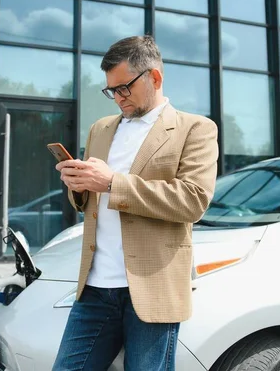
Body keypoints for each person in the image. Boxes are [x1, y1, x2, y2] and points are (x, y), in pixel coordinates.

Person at [53, 36, 218, 370]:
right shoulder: (100, 129)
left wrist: (112, 182)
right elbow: (88, 202)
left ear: (154, 78)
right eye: (111, 90)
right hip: (96, 287)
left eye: (124, 88)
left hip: (152, 286)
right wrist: (78, 185)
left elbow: (193, 200)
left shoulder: (195, 129)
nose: (117, 98)